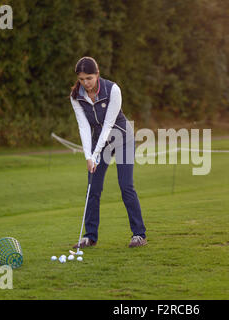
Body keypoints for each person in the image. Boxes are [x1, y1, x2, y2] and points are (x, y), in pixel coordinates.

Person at [69, 57, 147, 248]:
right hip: (99, 143)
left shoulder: (113, 90)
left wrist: (94, 155)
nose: (85, 83)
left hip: (122, 139)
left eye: (89, 78)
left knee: (126, 186)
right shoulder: (76, 96)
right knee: (93, 189)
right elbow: (84, 127)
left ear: (97, 74)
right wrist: (89, 157)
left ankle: (139, 235)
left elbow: (108, 125)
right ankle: (90, 236)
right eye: (81, 79)